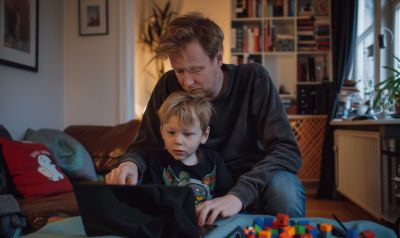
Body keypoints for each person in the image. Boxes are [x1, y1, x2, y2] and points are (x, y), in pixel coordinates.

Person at [106, 11, 305, 226]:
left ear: (218, 58)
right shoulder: (167, 84)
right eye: (179, 71)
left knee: (285, 190)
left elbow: (287, 150)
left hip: (251, 180)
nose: (186, 82)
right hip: (189, 180)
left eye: (195, 70)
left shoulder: (253, 79)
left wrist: (238, 196)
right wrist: (130, 164)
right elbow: (145, 144)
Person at [145, 91, 233, 206]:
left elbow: (226, 197)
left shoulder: (214, 161)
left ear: (204, 135)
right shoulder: (156, 162)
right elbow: (155, 202)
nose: (177, 141)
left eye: (187, 134)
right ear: (162, 131)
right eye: (171, 132)